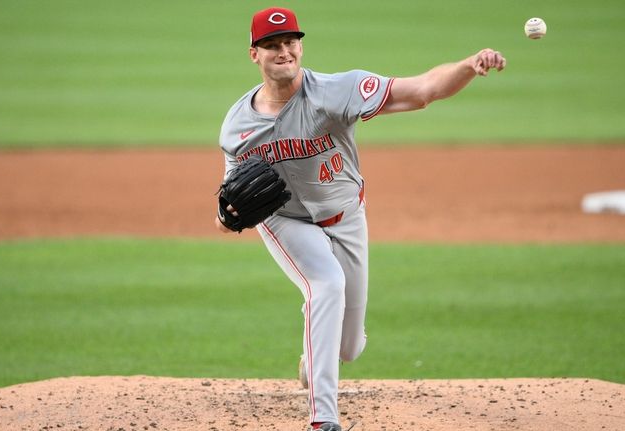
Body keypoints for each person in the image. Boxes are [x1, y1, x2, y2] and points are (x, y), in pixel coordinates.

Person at [215, 7, 506, 431]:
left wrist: (466, 66)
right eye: (271, 45)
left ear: (300, 46)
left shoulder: (337, 91)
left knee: (349, 347)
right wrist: (226, 216)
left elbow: (422, 90)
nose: (283, 51)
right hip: (286, 221)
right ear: (254, 54)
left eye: (290, 42)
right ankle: (323, 419)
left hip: (347, 216)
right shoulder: (238, 125)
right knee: (325, 285)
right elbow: (228, 205)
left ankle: (313, 358)